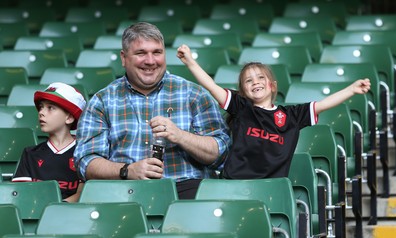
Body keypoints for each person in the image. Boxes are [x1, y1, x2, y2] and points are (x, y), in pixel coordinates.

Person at [73, 22, 230, 199]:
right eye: (141, 53)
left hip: (186, 189)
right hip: (125, 191)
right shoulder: (102, 101)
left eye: (157, 52)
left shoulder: (194, 94)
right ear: (124, 58)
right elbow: (85, 162)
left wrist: (180, 136)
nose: (150, 61)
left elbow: (221, 153)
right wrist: (127, 171)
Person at [177, 44, 371, 179]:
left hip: (272, 186)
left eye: (260, 77)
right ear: (243, 90)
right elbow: (211, 86)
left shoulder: (292, 115)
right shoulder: (241, 107)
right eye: (249, 80)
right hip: (235, 182)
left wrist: (351, 90)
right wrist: (191, 62)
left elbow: (323, 104)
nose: (255, 83)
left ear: (272, 85)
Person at [12, 82, 87, 202]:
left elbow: (84, 195)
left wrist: (55, 210)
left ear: (69, 117)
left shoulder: (84, 152)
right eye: (41, 107)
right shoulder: (30, 153)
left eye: (50, 108)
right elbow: (21, 195)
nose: (41, 112)